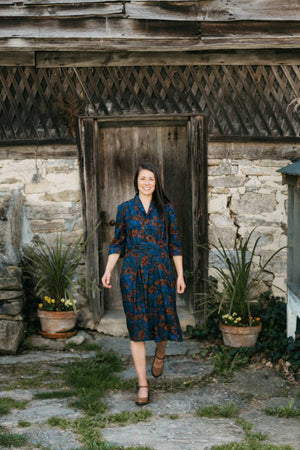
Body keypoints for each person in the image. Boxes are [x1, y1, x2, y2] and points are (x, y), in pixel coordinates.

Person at [101, 162, 186, 406]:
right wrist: (108, 270)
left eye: (151, 179)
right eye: (143, 179)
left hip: (161, 271)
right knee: (136, 327)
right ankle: (142, 384)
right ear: (136, 181)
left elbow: (175, 243)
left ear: (156, 183)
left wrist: (180, 275)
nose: (147, 183)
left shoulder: (166, 209)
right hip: (133, 273)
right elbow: (117, 243)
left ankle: (160, 354)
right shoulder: (126, 209)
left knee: (164, 318)